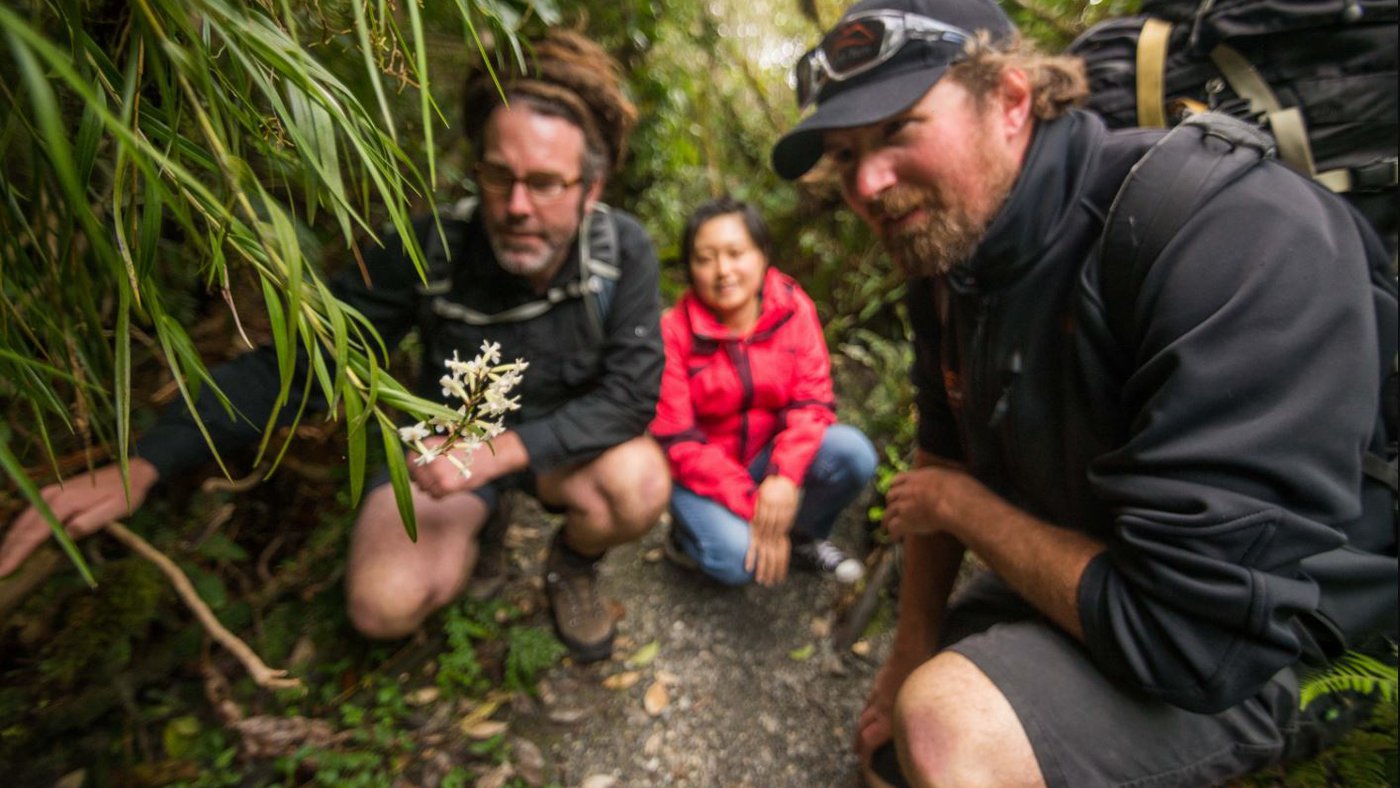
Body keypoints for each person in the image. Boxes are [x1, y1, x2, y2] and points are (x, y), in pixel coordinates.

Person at [771, 0, 1398, 785]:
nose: (867, 183)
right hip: (1120, 561)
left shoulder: (1219, 229)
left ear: (1009, 99)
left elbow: (1187, 642)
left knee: (947, 729)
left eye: (898, 130)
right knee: (902, 736)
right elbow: (943, 449)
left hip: (1270, 634)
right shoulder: (950, 262)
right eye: (843, 153)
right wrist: (908, 649)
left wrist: (965, 510)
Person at [0, 30, 670, 665]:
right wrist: (148, 462)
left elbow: (630, 396)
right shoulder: (430, 245)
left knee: (637, 486)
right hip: (449, 449)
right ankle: (480, 530)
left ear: (591, 189)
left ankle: (572, 563)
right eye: (500, 176)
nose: (517, 206)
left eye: (547, 183)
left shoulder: (621, 252)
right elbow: (309, 364)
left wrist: (502, 453)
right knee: (382, 606)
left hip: (558, 446)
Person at [650, 197, 876, 587]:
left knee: (852, 453)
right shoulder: (673, 332)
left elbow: (812, 401)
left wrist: (783, 479)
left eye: (736, 253)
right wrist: (756, 507)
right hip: (701, 474)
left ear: (762, 254)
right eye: (705, 258)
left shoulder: (792, 308)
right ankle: (686, 538)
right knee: (738, 564)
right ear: (689, 267)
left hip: (764, 459)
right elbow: (677, 440)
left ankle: (803, 537)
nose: (723, 271)